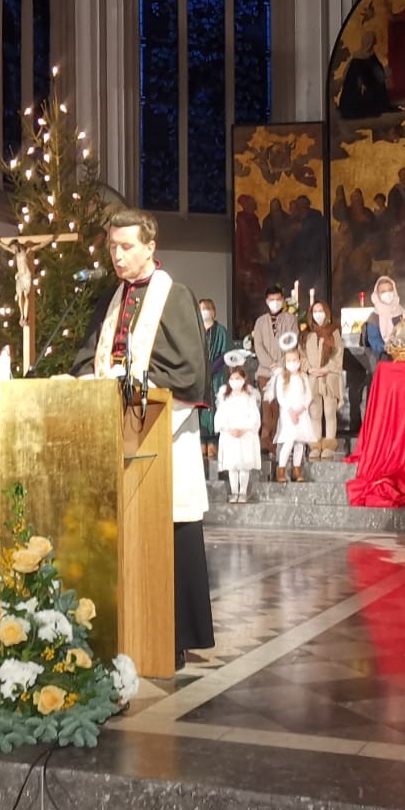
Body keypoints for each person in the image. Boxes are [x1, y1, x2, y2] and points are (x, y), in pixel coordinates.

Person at [73, 208, 214, 667]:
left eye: (126, 246)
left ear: (150, 247)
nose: (117, 254)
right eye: (112, 246)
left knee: (170, 528)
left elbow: (189, 371)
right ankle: (124, 626)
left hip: (163, 435)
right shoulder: (111, 298)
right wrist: (87, 379)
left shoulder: (175, 296)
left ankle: (170, 632)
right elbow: (85, 355)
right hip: (110, 428)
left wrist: (130, 378)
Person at [251, 284, 299, 460]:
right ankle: (265, 441)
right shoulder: (260, 322)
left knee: (281, 407)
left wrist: (281, 364)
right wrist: (270, 363)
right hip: (265, 371)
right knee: (267, 408)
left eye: (278, 299)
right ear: (266, 301)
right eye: (272, 300)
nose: (275, 303)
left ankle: (280, 441)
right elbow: (258, 346)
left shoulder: (290, 319)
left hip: (284, 371)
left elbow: (292, 342)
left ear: (283, 300)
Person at [213, 353, 262, 503]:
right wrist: (229, 429)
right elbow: (220, 416)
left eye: (238, 379)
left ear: (244, 379)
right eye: (232, 379)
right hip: (230, 435)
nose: (235, 382)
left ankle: (242, 492)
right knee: (232, 466)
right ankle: (234, 492)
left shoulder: (250, 396)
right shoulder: (225, 397)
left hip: (245, 435)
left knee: (244, 465)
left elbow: (254, 417)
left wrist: (244, 429)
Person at [267, 333, 316, 483]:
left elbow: (308, 394)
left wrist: (301, 408)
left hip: (301, 413)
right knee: (289, 440)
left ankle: (296, 469)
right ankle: (281, 469)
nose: (292, 363)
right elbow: (281, 397)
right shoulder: (282, 377)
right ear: (285, 361)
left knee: (300, 442)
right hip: (288, 414)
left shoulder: (303, 376)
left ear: (300, 360)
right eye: (289, 360)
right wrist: (291, 411)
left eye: (295, 360)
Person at [303, 300, 344, 458]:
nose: (318, 314)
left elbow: (338, 354)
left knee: (329, 411)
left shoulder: (334, 332)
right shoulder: (307, 334)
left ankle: (329, 444)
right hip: (313, 378)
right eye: (315, 311)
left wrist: (326, 368)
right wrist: (309, 368)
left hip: (329, 377)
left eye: (321, 310)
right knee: (315, 412)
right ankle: (315, 444)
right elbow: (302, 355)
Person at [199, 299, 232, 458]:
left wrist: (211, 369)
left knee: (215, 407)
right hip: (199, 376)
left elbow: (224, 353)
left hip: (216, 375)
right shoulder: (196, 330)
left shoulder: (221, 331)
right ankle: (201, 441)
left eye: (207, 308)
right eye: (201, 309)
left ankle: (213, 442)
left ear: (213, 311)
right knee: (201, 409)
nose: (204, 311)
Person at [337, 31, 393, 118]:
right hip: (360, 91)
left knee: (378, 87)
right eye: (373, 41)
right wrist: (362, 84)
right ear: (369, 42)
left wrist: (383, 74)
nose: (375, 43)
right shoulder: (357, 59)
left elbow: (377, 71)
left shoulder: (371, 55)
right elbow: (355, 77)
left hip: (371, 85)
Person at [363, 276, 403, 371]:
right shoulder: (374, 317)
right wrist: (388, 348)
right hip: (383, 362)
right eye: (383, 291)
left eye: (390, 290)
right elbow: (374, 340)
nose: (387, 294)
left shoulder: (402, 313)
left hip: (403, 361)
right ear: (377, 294)